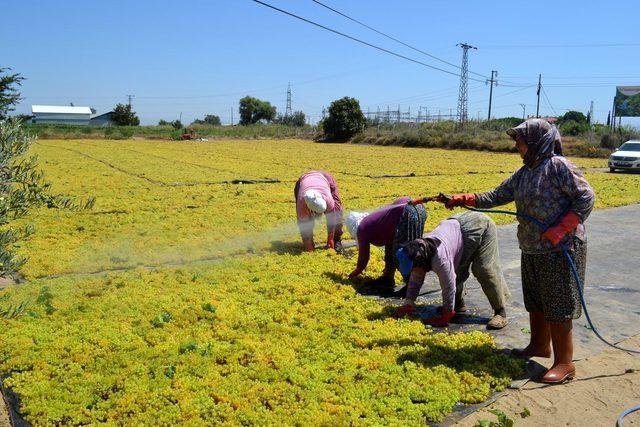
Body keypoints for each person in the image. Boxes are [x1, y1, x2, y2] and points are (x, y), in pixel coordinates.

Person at [445, 118, 595, 384]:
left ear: (538, 140)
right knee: (536, 300)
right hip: (532, 246)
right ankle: (539, 346)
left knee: (558, 305)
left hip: (561, 248)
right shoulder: (525, 172)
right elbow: (496, 196)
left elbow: (586, 197)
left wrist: (562, 228)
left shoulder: (558, 167)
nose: (517, 144)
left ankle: (565, 363)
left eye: (521, 139)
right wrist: (464, 198)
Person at [394, 211, 511, 329]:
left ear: (421, 261)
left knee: (483, 268)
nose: (415, 272)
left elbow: (448, 286)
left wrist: (446, 314)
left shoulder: (440, 258)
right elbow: (416, 278)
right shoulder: (418, 249)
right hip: (457, 230)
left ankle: (500, 312)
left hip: (479, 225)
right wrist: (408, 303)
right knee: (456, 269)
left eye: (414, 268)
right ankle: (458, 304)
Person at [346, 197, 426, 296]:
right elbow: (389, 241)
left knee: (401, 252)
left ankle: (411, 285)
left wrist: (356, 272)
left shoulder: (362, 229)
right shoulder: (372, 222)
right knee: (395, 247)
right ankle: (388, 278)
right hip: (419, 208)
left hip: (406, 212)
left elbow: (364, 258)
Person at [294, 170, 344, 252]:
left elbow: (332, 218)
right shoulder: (302, 204)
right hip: (303, 181)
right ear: (309, 208)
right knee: (306, 222)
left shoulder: (328, 198)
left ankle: (337, 239)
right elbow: (303, 225)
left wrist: (331, 238)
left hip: (325, 178)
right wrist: (308, 246)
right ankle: (310, 242)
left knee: (337, 213)